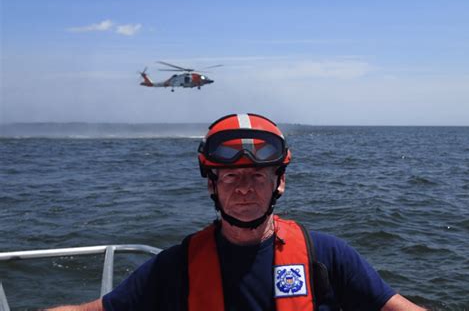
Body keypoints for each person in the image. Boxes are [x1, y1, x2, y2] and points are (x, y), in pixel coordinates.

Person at [47, 113, 426, 311]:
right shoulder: (174, 266)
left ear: (280, 182)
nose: (244, 187)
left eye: (258, 175)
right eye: (230, 177)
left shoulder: (326, 256)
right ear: (212, 185)